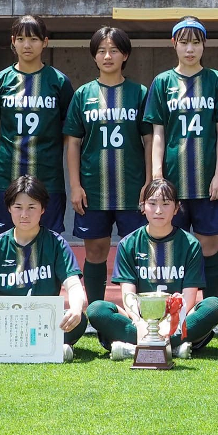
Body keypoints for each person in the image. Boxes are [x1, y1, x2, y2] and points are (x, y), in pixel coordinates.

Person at [144, 17, 218, 301]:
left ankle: (209, 309)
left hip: (207, 179)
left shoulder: (215, 80)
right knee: (172, 245)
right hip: (173, 180)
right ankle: (172, 311)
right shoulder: (162, 82)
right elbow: (157, 133)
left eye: (196, 43)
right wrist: (158, 176)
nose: (190, 49)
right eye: (184, 42)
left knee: (209, 244)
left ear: (203, 45)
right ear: (174, 44)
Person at [84, 177, 218, 360]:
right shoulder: (129, 244)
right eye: (152, 203)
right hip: (141, 320)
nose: (159, 210)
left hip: (175, 319)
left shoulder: (190, 244)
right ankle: (172, 348)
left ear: (176, 208)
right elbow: (129, 295)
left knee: (213, 305)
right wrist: (138, 321)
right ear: (143, 207)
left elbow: (189, 298)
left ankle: (134, 347)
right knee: (96, 309)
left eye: (166, 204)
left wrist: (170, 324)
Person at [64, 26, 153, 305]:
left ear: (125, 55)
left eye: (114, 50)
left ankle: (139, 310)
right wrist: (76, 185)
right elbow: (73, 143)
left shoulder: (139, 92)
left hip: (132, 187)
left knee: (136, 250)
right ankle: (95, 311)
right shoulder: (82, 94)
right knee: (96, 250)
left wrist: (150, 181)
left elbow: (150, 140)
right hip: (93, 187)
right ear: (94, 56)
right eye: (101, 50)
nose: (107, 56)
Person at [0, 176, 88, 361]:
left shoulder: (56, 243)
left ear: (43, 209)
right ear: (9, 208)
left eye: (32, 207)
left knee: (80, 320)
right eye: (18, 207)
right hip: (7, 320)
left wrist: (76, 308)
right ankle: (51, 347)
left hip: (43, 319)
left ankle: (28, 345)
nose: (24, 214)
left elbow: (74, 285)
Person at [0, 15, 73, 238]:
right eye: (21, 38)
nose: (27, 45)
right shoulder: (0, 81)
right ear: (13, 41)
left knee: (48, 239)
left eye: (33, 39)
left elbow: (67, 128)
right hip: (7, 175)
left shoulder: (59, 81)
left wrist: (47, 148)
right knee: (5, 241)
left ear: (45, 42)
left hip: (48, 176)